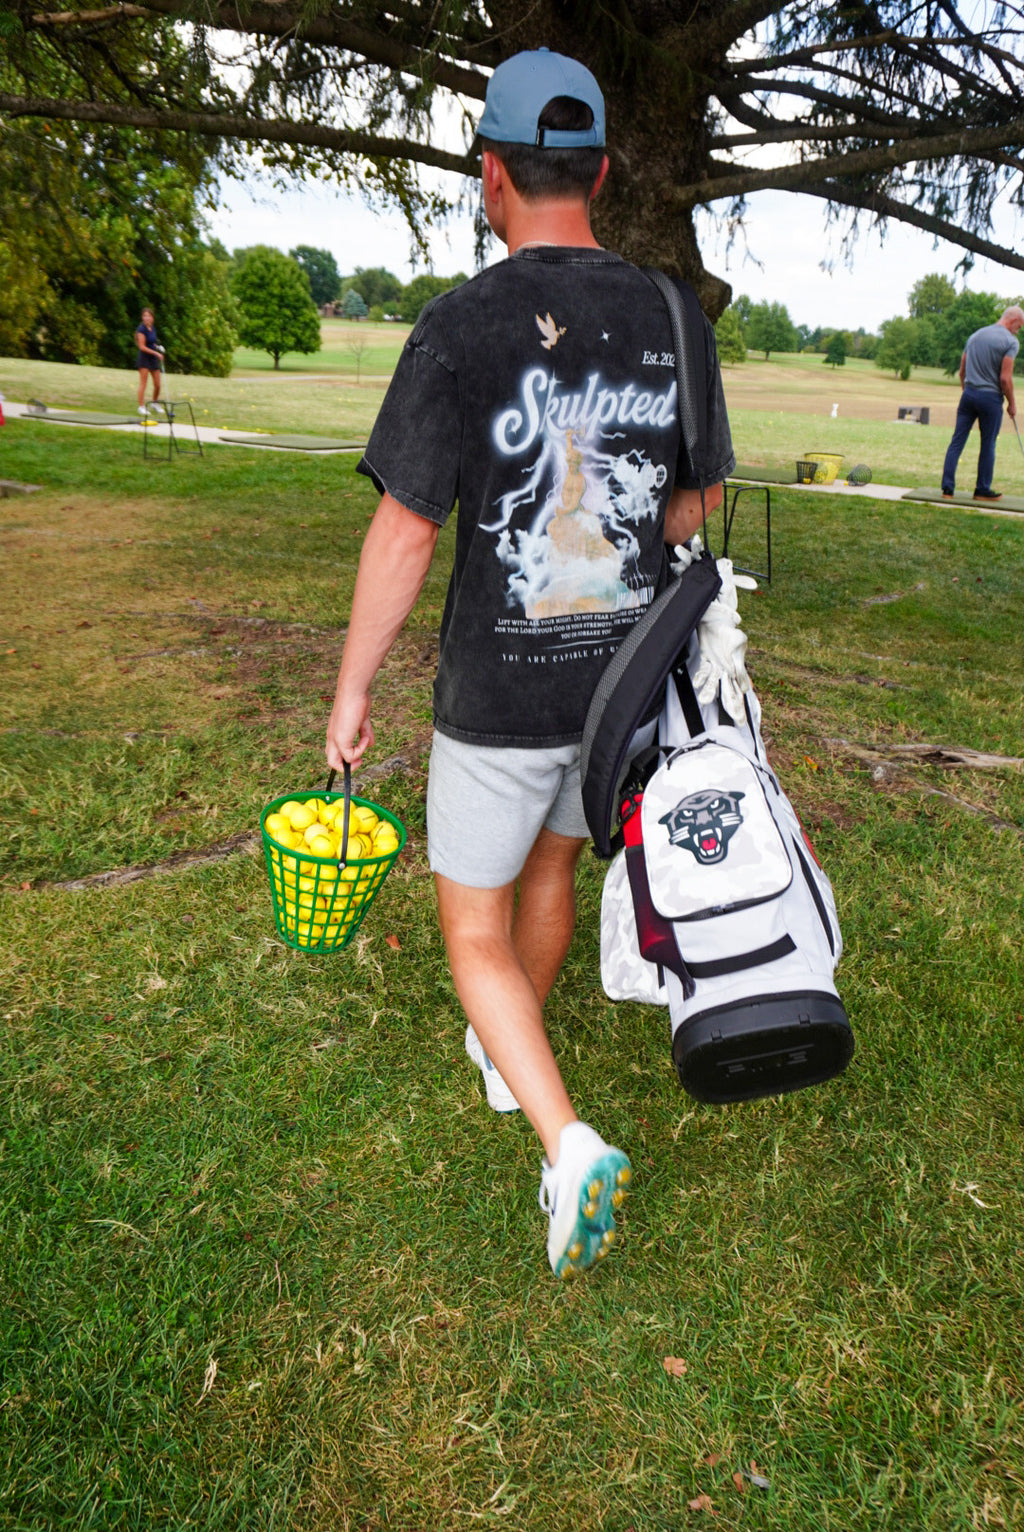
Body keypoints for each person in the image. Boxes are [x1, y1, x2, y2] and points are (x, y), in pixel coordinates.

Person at [325, 48, 735, 1279]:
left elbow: (405, 528)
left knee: (471, 928)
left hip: (496, 693)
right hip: (619, 692)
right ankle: (519, 1060)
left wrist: (350, 689)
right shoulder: (672, 315)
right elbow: (696, 502)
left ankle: (565, 1142)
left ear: (491, 175)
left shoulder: (459, 326)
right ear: (601, 171)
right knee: (550, 865)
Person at [941, 306, 1022, 501]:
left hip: (968, 394)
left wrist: (967, 392)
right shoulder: (1010, 342)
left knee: (957, 441)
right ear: (1013, 321)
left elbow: (962, 371)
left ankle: (947, 490)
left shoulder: (975, 336)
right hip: (991, 398)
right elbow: (1005, 379)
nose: (1018, 331)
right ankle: (982, 490)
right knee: (988, 444)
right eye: (1019, 327)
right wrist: (1012, 403)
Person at [134, 307, 164, 413]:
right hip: (144, 359)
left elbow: (152, 343)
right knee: (143, 383)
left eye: (149, 316)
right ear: (142, 317)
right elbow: (142, 346)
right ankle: (141, 407)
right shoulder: (141, 330)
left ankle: (154, 403)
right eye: (145, 316)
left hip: (153, 358)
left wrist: (158, 347)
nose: (147, 318)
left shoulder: (152, 328)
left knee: (158, 384)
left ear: (152, 318)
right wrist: (156, 353)